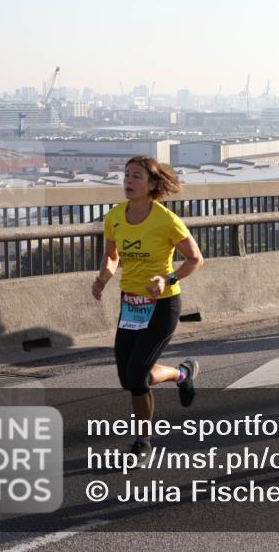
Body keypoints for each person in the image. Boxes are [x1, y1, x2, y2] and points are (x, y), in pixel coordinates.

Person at [92, 156, 204, 458]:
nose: (128, 181)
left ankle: (143, 442)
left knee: (138, 375)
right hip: (130, 306)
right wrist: (103, 278)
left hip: (162, 305)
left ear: (152, 184)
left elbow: (195, 259)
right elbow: (112, 255)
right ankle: (181, 374)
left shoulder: (166, 220)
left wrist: (167, 279)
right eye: (126, 175)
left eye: (136, 176)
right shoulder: (114, 216)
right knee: (128, 378)